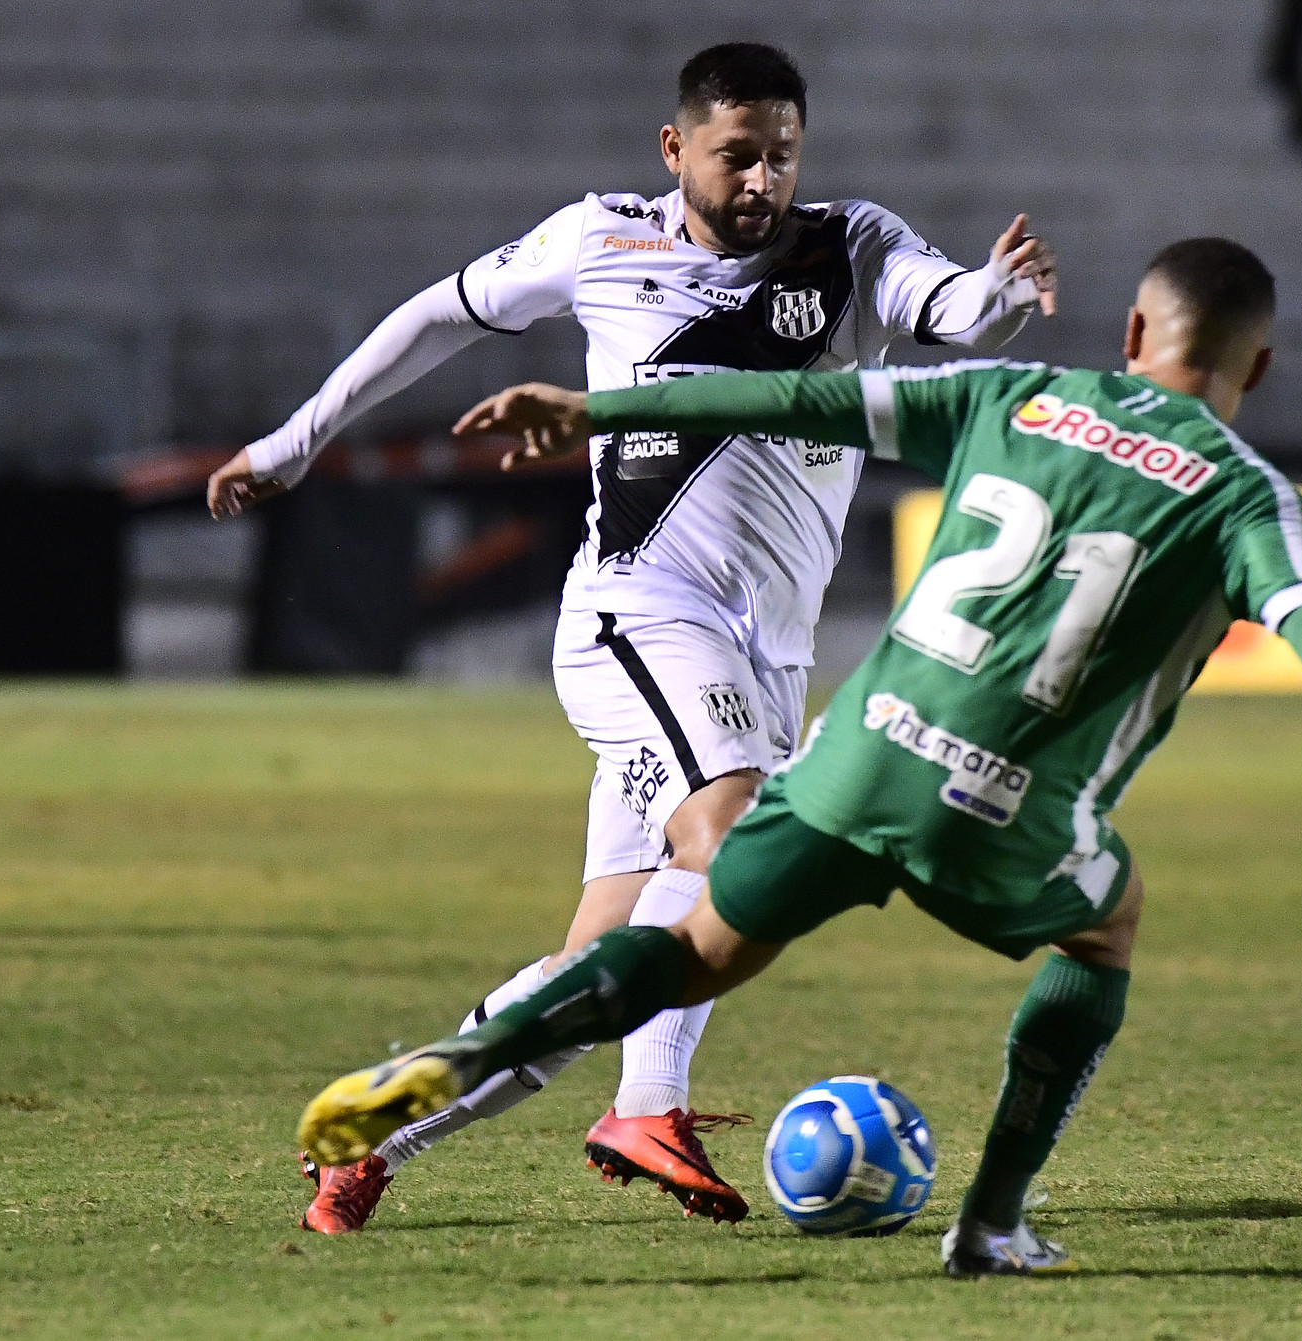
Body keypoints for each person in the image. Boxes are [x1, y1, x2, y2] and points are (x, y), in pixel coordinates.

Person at [295, 237, 1302, 1276]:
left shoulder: (1011, 395)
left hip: (855, 754)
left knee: (689, 946)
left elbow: (792, 394)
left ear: (1134, 334)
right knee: (1110, 921)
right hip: (1002, 807)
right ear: (1259, 369)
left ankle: (460, 1063)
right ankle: (991, 1225)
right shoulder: (1245, 495)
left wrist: (603, 403)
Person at [211, 42, 1058, 1234]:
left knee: (612, 964)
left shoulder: (847, 241)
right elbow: (433, 317)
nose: (762, 179)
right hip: (640, 614)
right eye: (736, 155)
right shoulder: (600, 238)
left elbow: (946, 305)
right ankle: (648, 1104)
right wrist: (295, 441)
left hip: (763, 653)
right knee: (744, 835)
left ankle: (373, 1139)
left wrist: (997, 293)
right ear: (675, 150)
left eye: (780, 154)